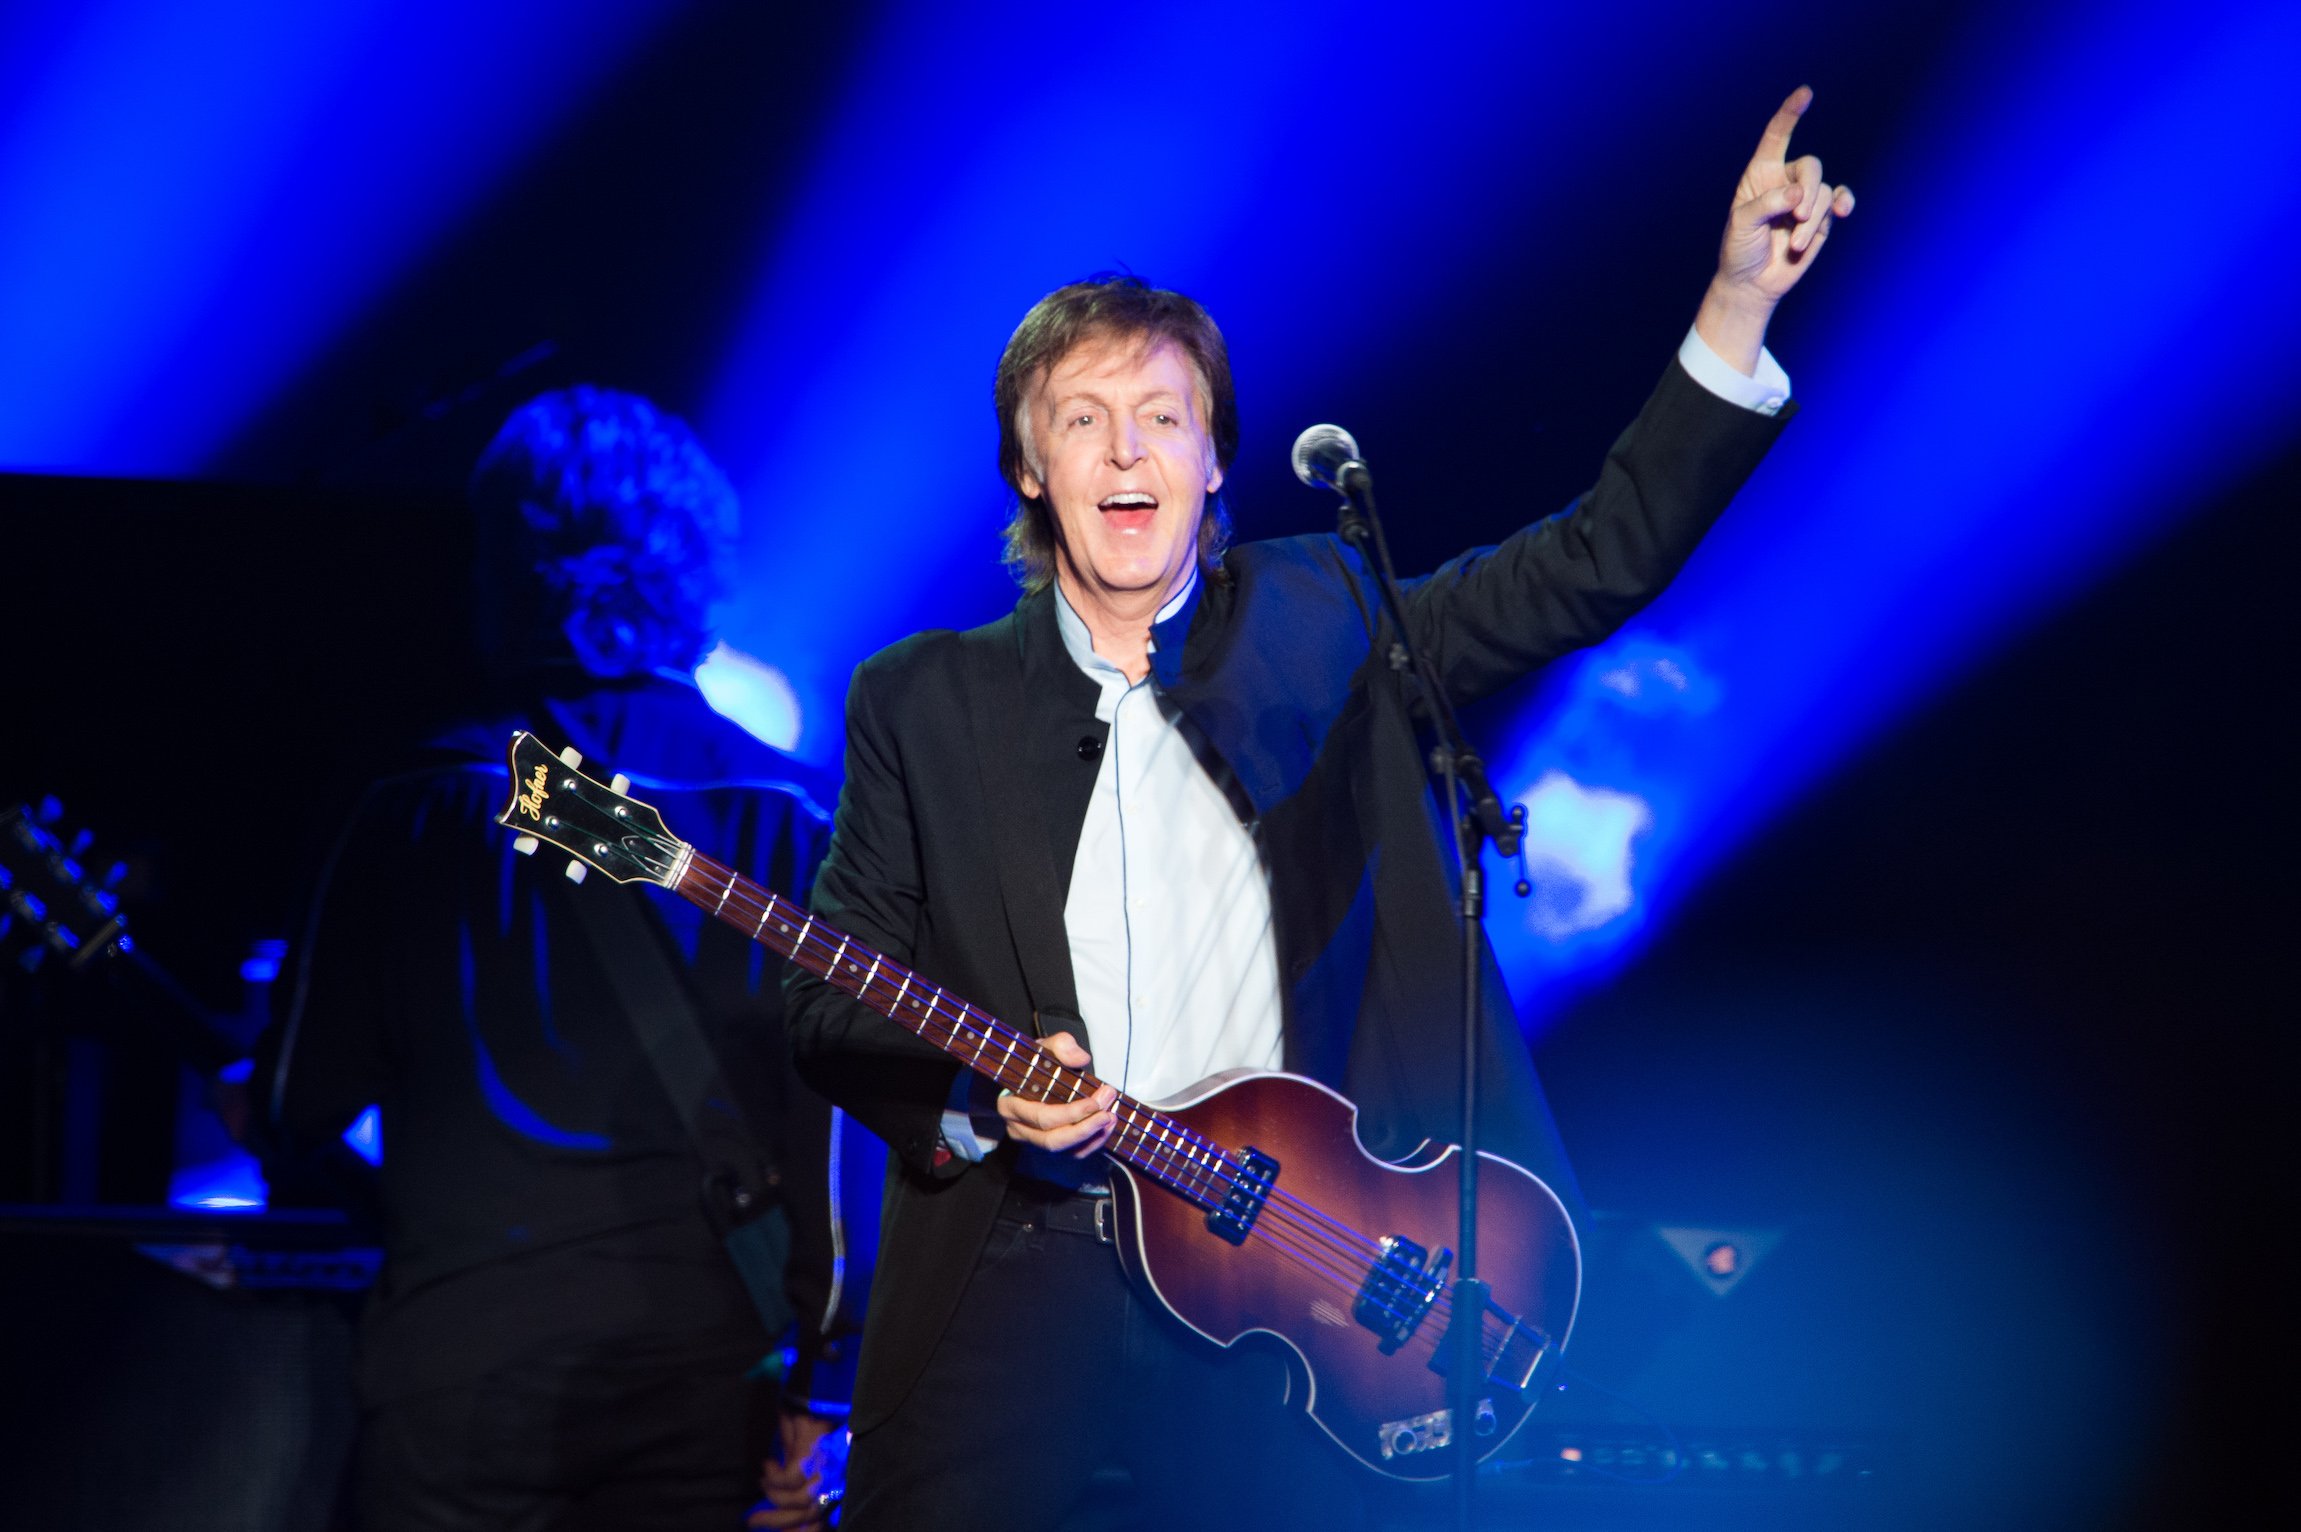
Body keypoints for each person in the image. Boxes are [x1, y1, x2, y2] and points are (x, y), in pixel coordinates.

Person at [785, 89, 1854, 1530]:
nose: (1123, 455)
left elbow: (1589, 564)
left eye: (1160, 418)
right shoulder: (919, 697)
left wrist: (1734, 309)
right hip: (1013, 1284)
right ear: (1029, 471)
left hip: (1283, 1279)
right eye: (1082, 423)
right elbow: (831, 999)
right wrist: (985, 1096)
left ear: (1214, 458)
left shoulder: (1325, 609)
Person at [256, 387, 856, 1531]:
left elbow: (297, 1104)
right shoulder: (795, 819)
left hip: (459, 1376)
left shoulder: (414, 806)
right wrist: (827, 1384)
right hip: (711, 1379)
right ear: (696, 568)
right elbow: (849, 1140)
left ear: (505, 565)